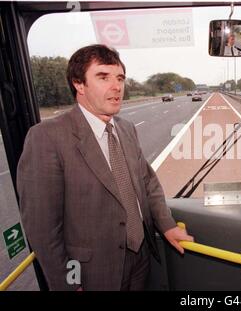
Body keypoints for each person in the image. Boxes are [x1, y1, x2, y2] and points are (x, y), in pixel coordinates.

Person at [17, 44, 193, 291]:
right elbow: (43, 229)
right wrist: (69, 284)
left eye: (120, 78)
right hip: (92, 274)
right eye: (103, 77)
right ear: (79, 84)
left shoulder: (127, 128)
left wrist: (168, 225)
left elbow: (147, 182)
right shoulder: (47, 137)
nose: (116, 87)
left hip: (140, 258)